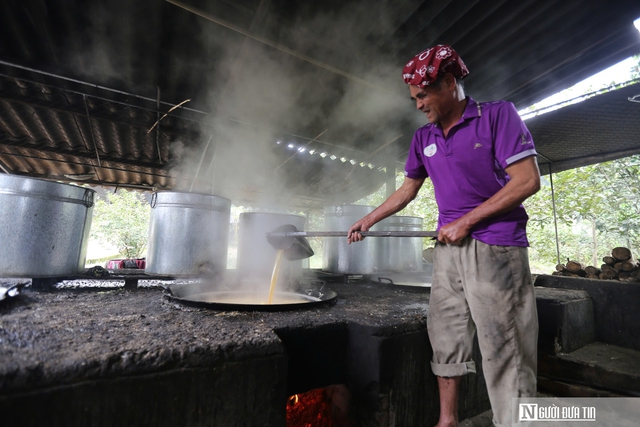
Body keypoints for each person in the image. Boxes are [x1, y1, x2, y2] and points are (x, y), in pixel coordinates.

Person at [347, 44, 540, 427]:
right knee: (445, 332)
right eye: (414, 97)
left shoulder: (497, 116)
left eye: (423, 94)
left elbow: (527, 180)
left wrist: (467, 221)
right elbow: (407, 190)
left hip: (496, 246)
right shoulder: (424, 138)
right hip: (448, 250)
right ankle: (447, 420)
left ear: (450, 83)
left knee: (505, 345)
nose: (418, 104)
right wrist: (368, 219)